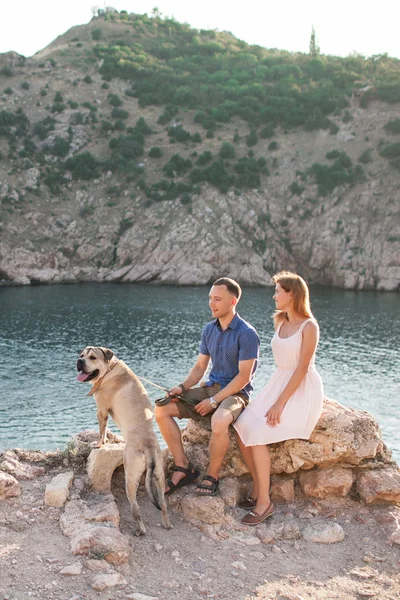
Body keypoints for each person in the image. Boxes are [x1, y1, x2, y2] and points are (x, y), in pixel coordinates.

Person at [155, 277, 260, 497]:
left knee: (219, 419)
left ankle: (211, 476)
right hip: (210, 387)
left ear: (232, 302)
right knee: (162, 409)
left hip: (236, 394)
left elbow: (243, 377)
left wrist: (213, 401)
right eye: (210, 298)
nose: (211, 303)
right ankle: (183, 467)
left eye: (217, 299)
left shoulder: (247, 334)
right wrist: (182, 387)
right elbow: (200, 367)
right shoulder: (208, 330)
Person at [233, 271, 324, 525]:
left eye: (277, 291)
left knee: (259, 433)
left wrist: (280, 403)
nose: (274, 295)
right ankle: (257, 488)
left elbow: (302, 368)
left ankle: (264, 503)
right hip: (278, 383)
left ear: (292, 293)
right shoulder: (281, 321)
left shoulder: (309, 326)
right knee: (242, 426)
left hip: (301, 390)